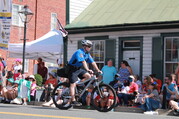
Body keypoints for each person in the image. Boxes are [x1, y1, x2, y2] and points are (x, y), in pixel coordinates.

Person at [57, 40, 102, 107]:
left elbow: (93, 62)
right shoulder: (79, 52)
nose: (90, 48)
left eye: (90, 46)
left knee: (88, 76)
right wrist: (88, 69)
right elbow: (83, 62)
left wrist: (98, 70)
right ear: (85, 46)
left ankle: (78, 84)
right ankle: (73, 100)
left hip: (78, 69)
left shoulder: (87, 54)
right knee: (73, 84)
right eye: (89, 46)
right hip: (72, 69)